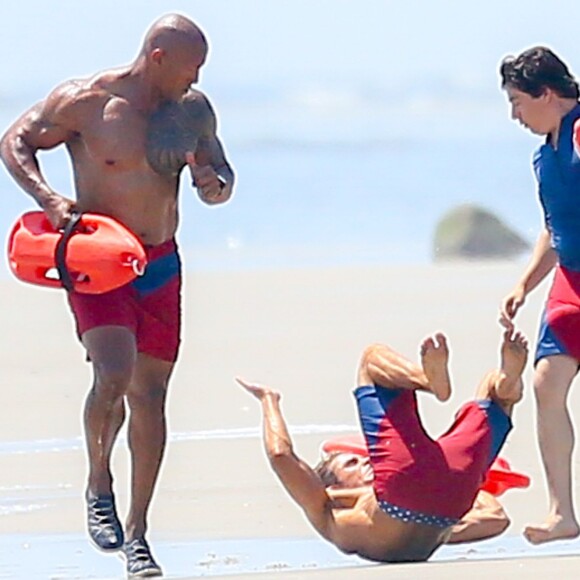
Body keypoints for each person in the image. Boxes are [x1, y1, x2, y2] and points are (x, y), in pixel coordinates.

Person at [0, 13, 234, 577]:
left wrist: (214, 184)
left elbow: (222, 175)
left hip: (160, 264)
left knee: (150, 396)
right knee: (113, 372)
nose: (196, 77)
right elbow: (15, 142)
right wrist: (51, 199)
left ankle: (138, 535)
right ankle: (98, 480)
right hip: (100, 261)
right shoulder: (86, 103)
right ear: (158, 58)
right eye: (190, 66)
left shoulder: (192, 111)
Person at [237, 329, 528, 563]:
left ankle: (506, 381)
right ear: (333, 485)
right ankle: (427, 381)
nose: (364, 461)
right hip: (422, 490)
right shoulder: (326, 507)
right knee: (370, 359)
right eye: (350, 463)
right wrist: (269, 401)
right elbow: (280, 455)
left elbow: (495, 516)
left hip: (449, 503)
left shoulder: (348, 521)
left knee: (495, 390)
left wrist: (445, 508)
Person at [498, 46, 580, 545]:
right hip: (570, 281)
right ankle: (562, 514)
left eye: (517, 102)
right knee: (547, 384)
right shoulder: (542, 155)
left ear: (546, 94)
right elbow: (555, 230)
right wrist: (523, 285)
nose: (514, 115)